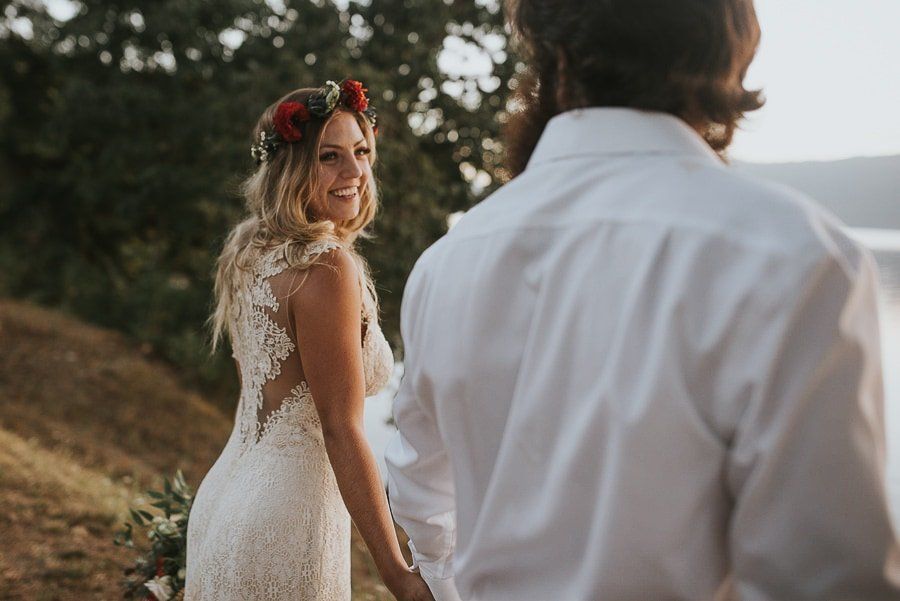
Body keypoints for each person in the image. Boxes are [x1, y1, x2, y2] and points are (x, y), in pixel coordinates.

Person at [384, 1, 900, 600]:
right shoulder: (791, 256)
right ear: (729, 53)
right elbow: (825, 577)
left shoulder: (448, 263)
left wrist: (451, 588)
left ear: (556, 56)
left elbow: (419, 488)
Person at [185, 80, 433, 601]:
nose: (355, 173)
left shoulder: (247, 249)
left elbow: (258, 397)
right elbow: (341, 429)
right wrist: (398, 575)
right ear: (290, 167)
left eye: (362, 152)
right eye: (329, 157)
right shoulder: (325, 266)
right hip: (288, 517)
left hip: (225, 499)